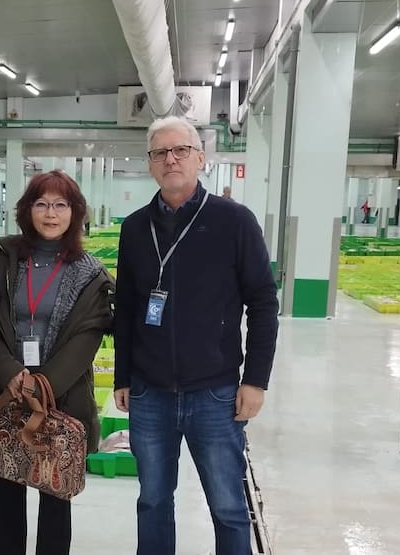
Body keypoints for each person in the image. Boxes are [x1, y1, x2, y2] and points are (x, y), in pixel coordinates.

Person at [113, 116, 279, 555]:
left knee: (227, 505)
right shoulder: (134, 228)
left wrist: (256, 380)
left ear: (200, 158)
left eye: (180, 150)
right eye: (159, 152)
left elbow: (263, 303)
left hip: (216, 392)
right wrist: (123, 376)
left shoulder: (235, 222)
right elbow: (127, 307)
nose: (170, 159)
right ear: (150, 164)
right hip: (150, 393)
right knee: (152, 499)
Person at [0, 170, 114, 555]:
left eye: (61, 205)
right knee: (7, 502)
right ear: (27, 210)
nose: (51, 214)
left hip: (61, 398)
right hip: (6, 392)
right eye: (42, 204)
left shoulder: (90, 273)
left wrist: (42, 384)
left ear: (75, 212)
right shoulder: (4, 260)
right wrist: (9, 374)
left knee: (55, 500)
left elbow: (89, 334)